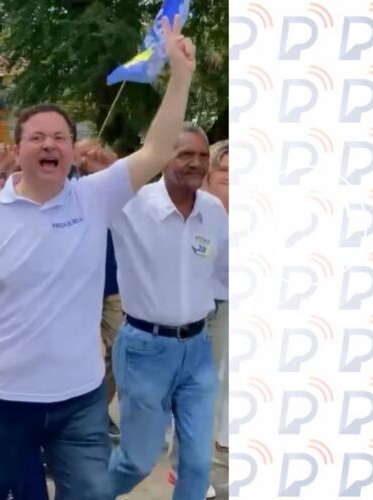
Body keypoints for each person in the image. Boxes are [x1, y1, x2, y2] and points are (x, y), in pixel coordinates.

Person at [0, 16, 196, 499]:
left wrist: (182, 75)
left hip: (79, 397)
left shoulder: (94, 197)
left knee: (89, 491)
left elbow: (157, 149)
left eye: (60, 138)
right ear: (18, 149)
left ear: (72, 149)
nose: (50, 144)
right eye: (37, 137)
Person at [107, 125, 228, 500]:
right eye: (184, 154)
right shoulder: (131, 203)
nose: (195, 163)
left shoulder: (213, 210)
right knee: (137, 461)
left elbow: (224, 271)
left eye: (202, 156)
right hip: (145, 349)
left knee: (195, 464)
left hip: (198, 350)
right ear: (162, 158)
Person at [75, 139, 124, 440]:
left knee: (120, 352)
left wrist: (114, 169)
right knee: (83, 354)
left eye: (94, 150)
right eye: (83, 152)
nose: (90, 156)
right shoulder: (66, 190)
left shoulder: (116, 188)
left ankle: (98, 410)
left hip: (114, 284)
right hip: (78, 287)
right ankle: (81, 417)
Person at [204, 140, 229, 453]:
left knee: (218, 374)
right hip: (197, 305)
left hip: (228, 301)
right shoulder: (200, 209)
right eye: (223, 170)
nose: (230, 176)